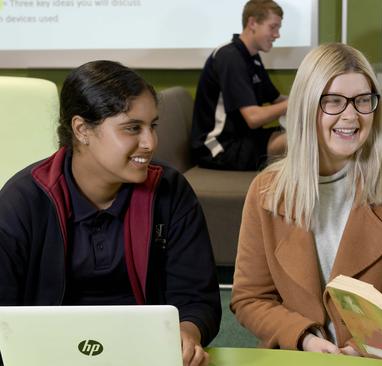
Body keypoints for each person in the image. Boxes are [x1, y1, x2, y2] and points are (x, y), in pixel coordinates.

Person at [0, 61, 221, 366]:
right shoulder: (21, 201)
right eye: (132, 128)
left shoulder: (170, 191)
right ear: (82, 130)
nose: (150, 143)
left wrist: (188, 332)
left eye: (153, 126)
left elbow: (198, 298)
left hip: (148, 358)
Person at [230, 43, 382, 353]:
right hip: (300, 355)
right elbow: (250, 298)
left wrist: (373, 345)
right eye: (333, 102)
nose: (351, 116)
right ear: (306, 106)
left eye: (362, 101)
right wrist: (304, 338)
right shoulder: (266, 190)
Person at [191, 0, 288, 171]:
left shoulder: (252, 57)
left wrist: (312, 100)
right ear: (252, 23)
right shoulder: (229, 57)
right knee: (302, 141)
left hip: (243, 138)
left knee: (303, 135)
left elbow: (277, 100)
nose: (277, 35)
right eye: (273, 27)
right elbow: (254, 118)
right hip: (217, 147)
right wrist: (296, 102)